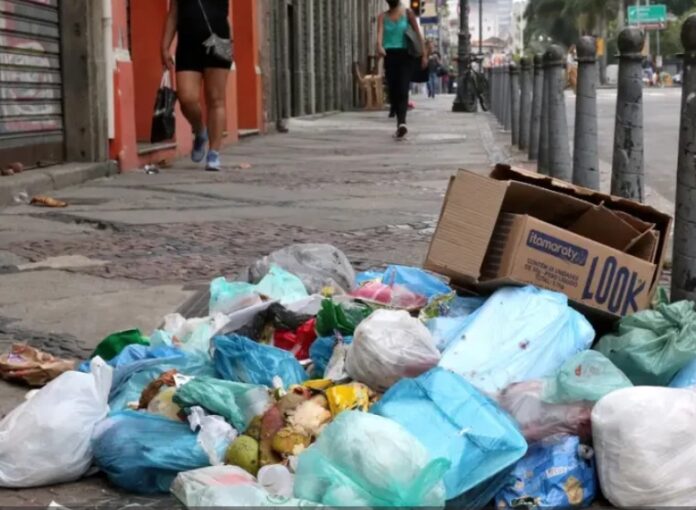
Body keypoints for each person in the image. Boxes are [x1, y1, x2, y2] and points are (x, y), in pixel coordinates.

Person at [161, 0, 232, 171]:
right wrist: (164, 46)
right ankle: (200, 129)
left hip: (219, 41)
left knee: (216, 99)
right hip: (187, 44)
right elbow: (173, 13)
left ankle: (214, 153)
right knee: (186, 98)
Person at [377, 0, 427, 139]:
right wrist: (379, 46)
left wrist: (424, 55)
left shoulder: (408, 13)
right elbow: (379, 35)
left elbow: (418, 34)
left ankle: (402, 123)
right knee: (393, 90)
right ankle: (397, 114)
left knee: (403, 89)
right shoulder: (382, 16)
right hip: (389, 56)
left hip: (406, 56)